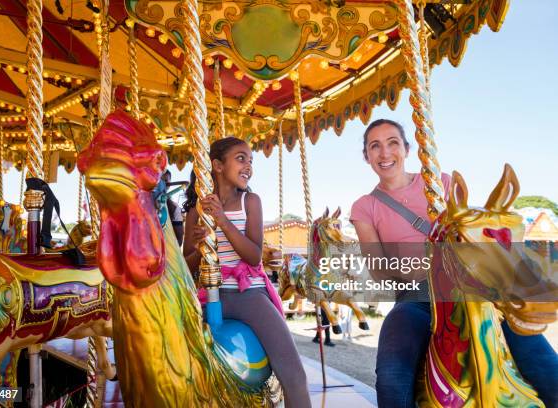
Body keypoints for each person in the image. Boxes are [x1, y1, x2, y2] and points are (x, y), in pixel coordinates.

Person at [350, 119, 558, 408]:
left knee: (541, 359)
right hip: (416, 297)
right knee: (391, 374)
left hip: (471, 290)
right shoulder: (365, 206)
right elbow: (376, 265)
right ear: (367, 156)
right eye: (375, 146)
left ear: (407, 149)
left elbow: (467, 234)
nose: (385, 153)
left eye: (392, 143)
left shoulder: (439, 183)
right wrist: (422, 271)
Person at [182, 137, 311, 408]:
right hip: (208, 296)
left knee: (294, 375)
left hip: (248, 294)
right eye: (241, 158)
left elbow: (253, 256)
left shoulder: (250, 201)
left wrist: (222, 222)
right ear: (217, 165)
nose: (248, 166)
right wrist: (203, 246)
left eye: (250, 161)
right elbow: (186, 266)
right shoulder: (196, 213)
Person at [161, 170, 185, 245]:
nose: (162, 184)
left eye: (165, 181)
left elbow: (179, 240)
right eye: (159, 180)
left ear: (169, 184)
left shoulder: (174, 207)